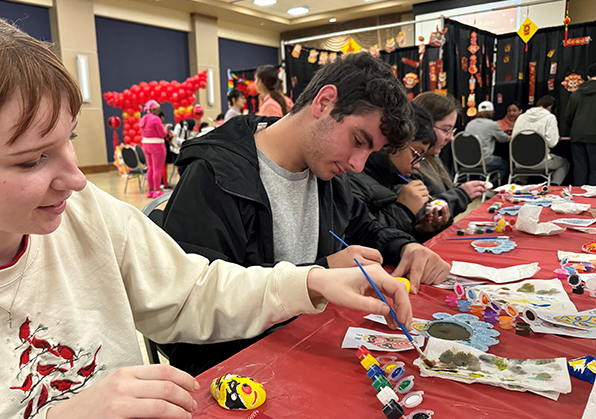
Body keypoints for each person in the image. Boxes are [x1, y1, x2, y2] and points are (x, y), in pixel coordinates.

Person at [0, 8, 414, 419]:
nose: (74, 180)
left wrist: (312, 280)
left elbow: (190, 294)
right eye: (30, 161)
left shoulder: (85, 212)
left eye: (68, 141)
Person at [161, 53, 450, 375]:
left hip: (307, 342)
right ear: (324, 102)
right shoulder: (216, 175)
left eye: (370, 152)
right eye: (358, 141)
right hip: (237, 369)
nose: (358, 164)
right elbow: (192, 312)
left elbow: (365, 227)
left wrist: (405, 247)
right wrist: (319, 274)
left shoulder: (328, 174)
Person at [349, 103, 448, 237]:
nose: (417, 166)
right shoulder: (354, 178)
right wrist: (403, 210)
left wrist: (420, 230)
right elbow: (358, 239)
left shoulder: (390, 179)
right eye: (416, 155)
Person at [413, 92, 486, 235]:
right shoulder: (411, 164)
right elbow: (423, 212)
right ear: (424, 126)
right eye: (446, 130)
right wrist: (462, 194)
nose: (451, 138)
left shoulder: (433, 158)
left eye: (452, 131)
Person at [512, 95, 570, 185]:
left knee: (526, 157)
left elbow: (514, 140)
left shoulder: (521, 117)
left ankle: (520, 184)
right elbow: (552, 143)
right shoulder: (550, 117)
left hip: (519, 162)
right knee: (564, 163)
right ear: (550, 107)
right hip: (541, 162)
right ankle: (554, 186)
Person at [565, 63, 596, 186]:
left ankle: (578, 200)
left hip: (577, 135)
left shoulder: (576, 93)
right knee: (595, 169)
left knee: (579, 169)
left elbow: (568, 116)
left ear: (588, 77)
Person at [464, 101, 510, 183]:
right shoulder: (492, 124)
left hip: (468, 160)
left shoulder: (470, 124)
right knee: (505, 165)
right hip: (484, 160)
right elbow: (504, 139)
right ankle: (492, 185)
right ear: (492, 112)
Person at [139, 99, 168, 198]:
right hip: (157, 146)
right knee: (157, 169)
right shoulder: (156, 119)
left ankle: (150, 191)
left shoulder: (144, 119)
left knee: (150, 168)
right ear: (154, 110)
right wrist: (166, 129)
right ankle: (157, 190)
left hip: (146, 145)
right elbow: (162, 134)